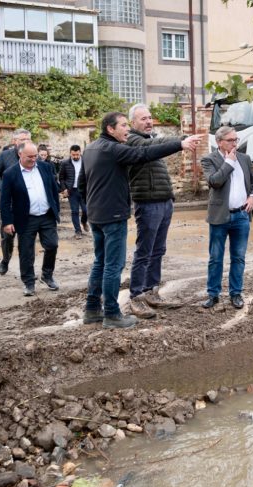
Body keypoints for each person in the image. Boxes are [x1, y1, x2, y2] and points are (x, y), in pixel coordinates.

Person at [79, 112, 203, 329]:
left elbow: (82, 184)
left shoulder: (90, 148)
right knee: (112, 266)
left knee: (100, 262)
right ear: (110, 129)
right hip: (113, 216)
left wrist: (87, 211)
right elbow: (145, 153)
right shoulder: (114, 149)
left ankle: (91, 310)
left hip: (97, 215)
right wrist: (180, 144)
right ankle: (111, 314)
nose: (127, 129)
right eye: (124, 125)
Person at [125, 104, 184, 319]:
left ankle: (151, 291)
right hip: (148, 203)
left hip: (163, 201)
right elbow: (155, 146)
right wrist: (179, 142)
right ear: (133, 123)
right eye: (143, 119)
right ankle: (137, 296)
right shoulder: (133, 141)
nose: (149, 121)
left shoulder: (150, 141)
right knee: (144, 251)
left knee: (158, 250)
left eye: (150, 118)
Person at [200, 126, 253, 310]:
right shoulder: (209, 160)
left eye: (236, 139)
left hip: (241, 215)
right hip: (220, 216)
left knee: (238, 257)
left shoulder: (245, 158)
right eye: (231, 140)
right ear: (219, 142)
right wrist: (228, 162)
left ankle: (236, 293)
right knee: (216, 258)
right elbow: (215, 181)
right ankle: (213, 294)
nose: (235, 143)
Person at [0, 142, 61, 296]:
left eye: (35, 156)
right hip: (25, 219)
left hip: (47, 215)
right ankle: (28, 282)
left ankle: (47, 275)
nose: (34, 159)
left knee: (52, 245)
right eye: (30, 157)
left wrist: (56, 210)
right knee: (26, 252)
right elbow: (5, 200)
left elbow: (53, 190)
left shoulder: (45, 167)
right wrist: (7, 222)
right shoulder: (10, 174)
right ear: (20, 154)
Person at [0, 129, 32, 275]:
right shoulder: (5, 156)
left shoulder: (33, 156)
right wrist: (4, 187)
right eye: (22, 139)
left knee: (27, 239)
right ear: (14, 141)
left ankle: (26, 271)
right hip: (10, 205)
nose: (25, 142)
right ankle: (5, 259)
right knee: (7, 237)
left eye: (27, 139)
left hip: (29, 205)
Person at [58, 145, 88, 239]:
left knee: (86, 210)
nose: (75, 156)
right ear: (70, 153)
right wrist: (64, 189)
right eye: (73, 155)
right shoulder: (65, 163)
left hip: (84, 190)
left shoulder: (86, 161)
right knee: (74, 211)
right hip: (72, 191)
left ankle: (83, 221)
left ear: (80, 152)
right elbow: (61, 178)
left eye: (77, 154)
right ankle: (78, 231)